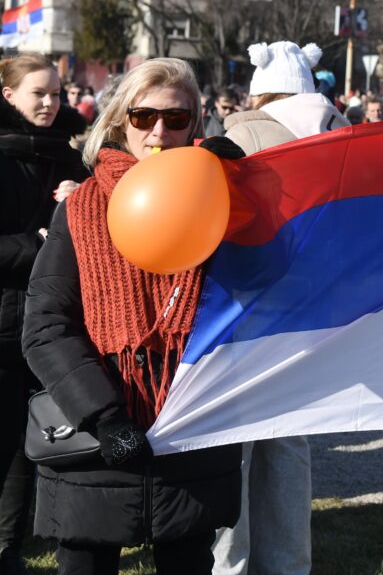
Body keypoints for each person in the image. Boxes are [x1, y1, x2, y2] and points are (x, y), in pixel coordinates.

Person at [21, 58, 243, 575]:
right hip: (95, 443)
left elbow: (262, 295)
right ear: (121, 120)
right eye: (143, 118)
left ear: (196, 124)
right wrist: (105, 417)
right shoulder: (78, 209)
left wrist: (244, 182)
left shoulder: (225, 202)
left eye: (176, 119)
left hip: (188, 428)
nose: (159, 133)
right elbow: (47, 326)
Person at [215, 41, 345, 575]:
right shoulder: (344, 129)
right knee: (289, 440)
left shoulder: (242, 133)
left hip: (249, 298)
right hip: (316, 300)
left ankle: (231, 563)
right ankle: (288, 562)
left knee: (234, 446)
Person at [0, 53, 90, 575]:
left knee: (25, 447)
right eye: (39, 93)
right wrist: (40, 242)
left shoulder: (69, 157)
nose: (51, 103)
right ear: (9, 95)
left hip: (48, 329)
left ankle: (6, 547)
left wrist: (83, 202)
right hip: (0, 323)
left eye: (57, 93)